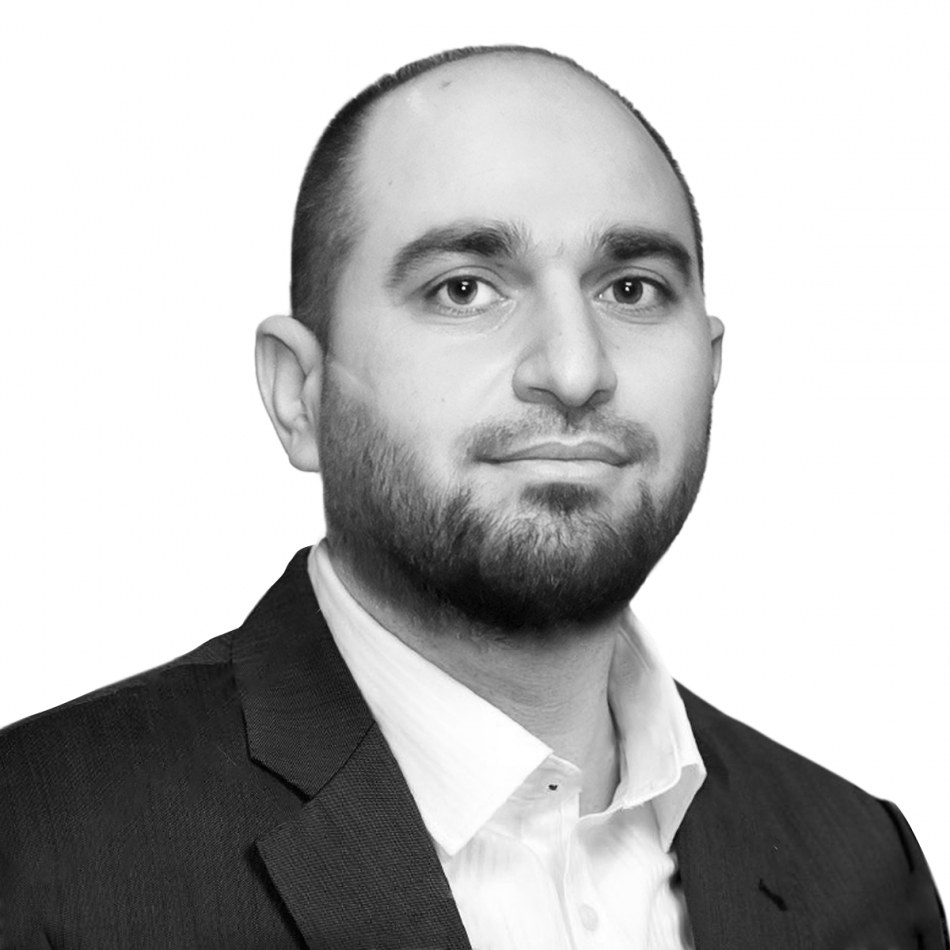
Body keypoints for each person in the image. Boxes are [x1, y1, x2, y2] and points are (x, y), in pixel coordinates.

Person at [0, 44, 945, 950]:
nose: (575, 370)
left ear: (711, 364)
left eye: (631, 288)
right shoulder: (35, 845)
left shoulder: (862, 864)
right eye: (463, 289)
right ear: (300, 394)